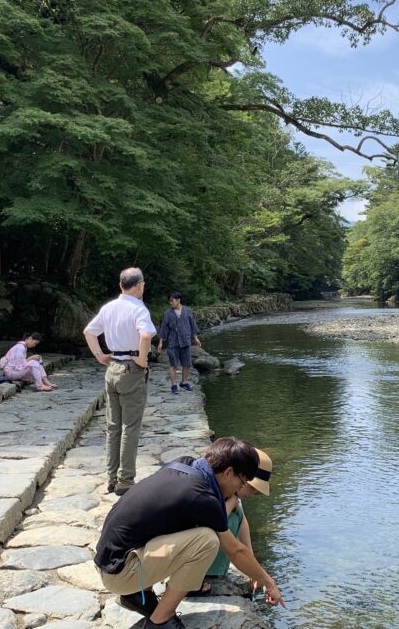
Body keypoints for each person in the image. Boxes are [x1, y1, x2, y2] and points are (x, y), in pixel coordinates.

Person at [95, 437, 285, 629]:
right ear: (228, 472)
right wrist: (268, 582)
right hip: (120, 573)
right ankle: (160, 621)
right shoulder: (202, 497)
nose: (240, 488)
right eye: (242, 482)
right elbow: (235, 551)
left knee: (183, 526)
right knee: (207, 540)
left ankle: (137, 595)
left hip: (113, 561)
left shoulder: (185, 465)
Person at [83, 267, 155, 495]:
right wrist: (142, 360)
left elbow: (89, 332)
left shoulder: (109, 307)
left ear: (120, 285)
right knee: (130, 427)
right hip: (131, 369)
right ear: (140, 285)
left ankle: (111, 477)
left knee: (113, 426)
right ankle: (126, 480)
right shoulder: (139, 308)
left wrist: (99, 355)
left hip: (112, 367)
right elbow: (145, 335)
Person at [193, 448, 272, 597]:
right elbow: (216, 522)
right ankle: (202, 575)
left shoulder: (233, 497)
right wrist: (233, 502)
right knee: (228, 520)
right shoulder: (215, 492)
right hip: (200, 558)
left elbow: (243, 523)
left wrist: (253, 565)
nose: (254, 494)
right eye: (253, 489)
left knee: (236, 516)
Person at [157, 291, 201, 395]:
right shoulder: (168, 313)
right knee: (173, 365)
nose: (171, 303)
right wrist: (160, 342)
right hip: (173, 343)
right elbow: (164, 328)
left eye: (172, 300)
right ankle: (173, 385)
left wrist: (195, 338)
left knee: (187, 364)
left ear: (178, 300)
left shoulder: (188, 311)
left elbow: (192, 325)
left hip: (185, 341)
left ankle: (184, 382)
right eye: (170, 301)